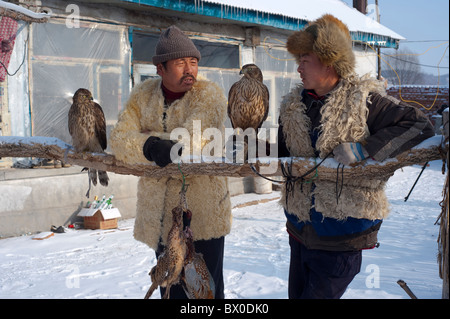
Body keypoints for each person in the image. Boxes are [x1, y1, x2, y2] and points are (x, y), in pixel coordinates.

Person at [277, 14, 434, 299]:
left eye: (305, 60)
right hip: (300, 230)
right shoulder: (293, 105)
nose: (298, 67)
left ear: (328, 61)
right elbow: (283, 155)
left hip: (343, 231)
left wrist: (363, 149)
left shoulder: (365, 99)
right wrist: (255, 150)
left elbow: (421, 125)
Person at [110, 25, 232, 299]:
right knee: (171, 291)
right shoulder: (143, 95)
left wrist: (145, 141)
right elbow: (118, 138)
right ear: (160, 69)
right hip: (162, 221)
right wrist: (152, 146)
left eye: (194, 62)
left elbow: (188, 144)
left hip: (202, 219)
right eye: (180, 63)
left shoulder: (208, 96)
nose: (190, 69)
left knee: (204, 296)